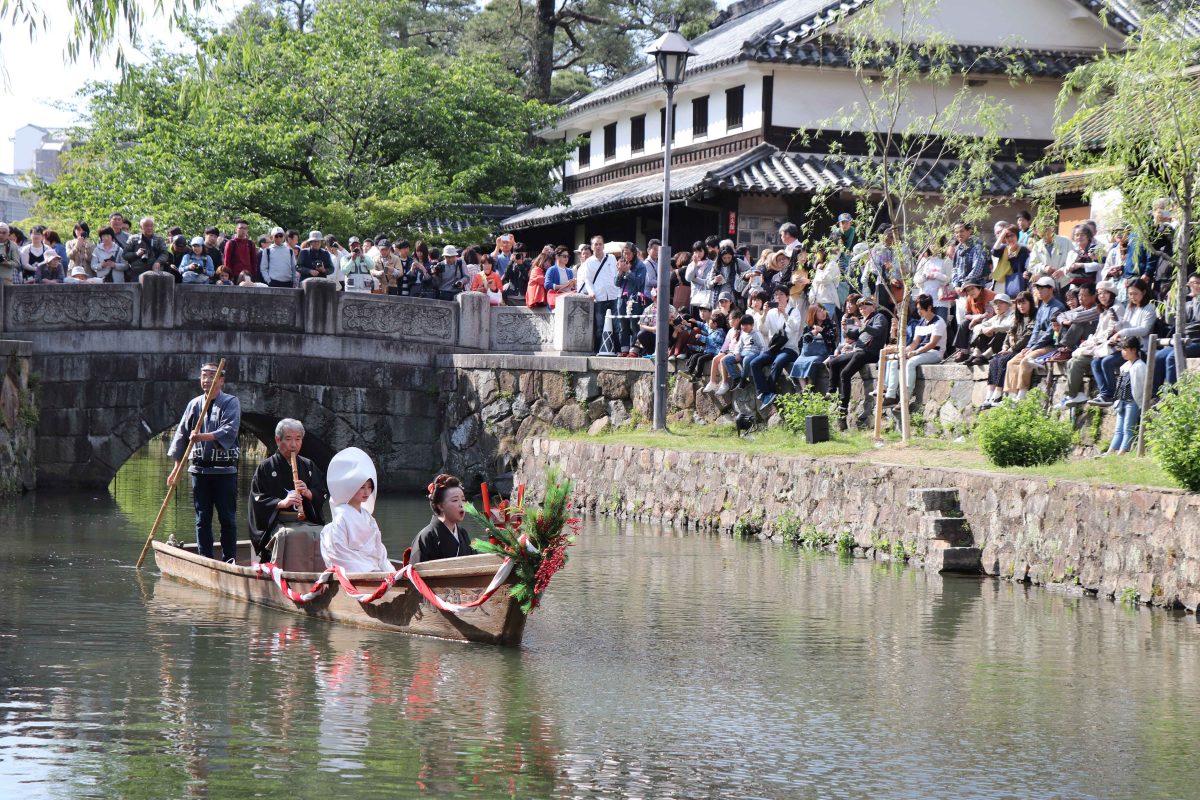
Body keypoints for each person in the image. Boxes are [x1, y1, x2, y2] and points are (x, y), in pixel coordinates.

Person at [166, 362, 241, 563]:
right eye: (203, 376)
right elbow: (182, 435)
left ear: (221, 380)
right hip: (199, 471)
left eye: (211, 376)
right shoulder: (194, 404)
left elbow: (230, 430)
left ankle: (229, 559)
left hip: (225, 472)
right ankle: (205, 558)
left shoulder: (230, 402)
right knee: (202, 519)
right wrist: (176, 469)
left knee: (227, 519)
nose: (206, 380)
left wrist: (203, 437)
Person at [249, 418, 330, 559]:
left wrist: (309, 493)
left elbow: (322, 491)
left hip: (305, 521)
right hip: (278, 523)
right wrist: (281, 503)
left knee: (322, 533)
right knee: (288, 535)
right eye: (288, 439)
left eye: (298, 439)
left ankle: (316, 571)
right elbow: (257, 499)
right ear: (278, 440)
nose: (293, 445)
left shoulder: (308, 465)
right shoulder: (266, 467)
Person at [320, 447, 391, 573]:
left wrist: (385, 568)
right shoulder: (341, 517)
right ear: (351, 487)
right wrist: (366, 568)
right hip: (354, 567)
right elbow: (339, 552)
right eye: (362, 487)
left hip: (371, 564)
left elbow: (378, 549)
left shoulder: (368, 517)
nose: (367, 492)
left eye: (369, 487)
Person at [826, 293, 890, 424]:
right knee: (833, 363)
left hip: (870, 352)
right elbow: (854, 336)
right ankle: (831, 390)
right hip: (858, 351)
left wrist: (862, 325)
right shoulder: (864, 320)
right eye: (860, 308)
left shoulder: (879, 317)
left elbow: (877, 331)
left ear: (872, 306)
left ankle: (843, 408)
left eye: (864, 307)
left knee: (845, 373)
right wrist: (846, 330)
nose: (862, 309)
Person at [881, 294, 947, 407]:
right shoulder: (921, 322)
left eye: (920, 309)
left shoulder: (939, 322)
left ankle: (906, 397)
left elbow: (932, 344)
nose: (919, 312)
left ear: (929, 307)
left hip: (935, 353)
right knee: (894, 362)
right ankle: (891, 396)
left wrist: (916, 352)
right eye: (918, 309)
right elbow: (915, 343)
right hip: (921, 352)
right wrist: (903, 352)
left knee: (910, 363)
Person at [980, 291, 1035, 408]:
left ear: (1030, 303)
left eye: (1023, 303)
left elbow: (1026, 337)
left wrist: (1011, 349)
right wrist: (1005, 345)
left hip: (1021, 349)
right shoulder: (1018, 318)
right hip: (1012, 348)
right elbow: (1009, 332)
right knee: (994, 360)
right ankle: (989, 395)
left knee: (1003, 361)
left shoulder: (1033, 318)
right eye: (1019, 304)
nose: (1021, 306)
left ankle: (998, 394)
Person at [410, 473, 473, 564]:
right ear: (440, 506)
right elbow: (417, 573)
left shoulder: (463, 534)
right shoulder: (427, 536)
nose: (461, 504)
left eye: (463, 500)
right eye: (455, 500)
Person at [1106, 337, 1147, 456]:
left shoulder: (1140, 366)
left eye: (1125, 349)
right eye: (1122, 350)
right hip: (1122, 401)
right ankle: (1111, 451)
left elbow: (1143, 385)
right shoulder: (1124, 366)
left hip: (1133, 401)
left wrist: (1141, 401)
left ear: (1134, 350)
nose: (1123, 352)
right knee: (1119, 428)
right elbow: (1120, 384)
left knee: (1128, 428)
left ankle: (1122, 451)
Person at [580, 235, 620, 352]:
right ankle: (598, 350)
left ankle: (618, 350)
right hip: (599, 296)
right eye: (595, 244)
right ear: (592, 247)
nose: (598, 246)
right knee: (599, 326)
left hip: (614, 295)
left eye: (600, 244)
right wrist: (591, 292)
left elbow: (616, 274)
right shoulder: (589, 262)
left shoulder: (611, 258)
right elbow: (587, 280)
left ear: (603, 245)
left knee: (617, 325)